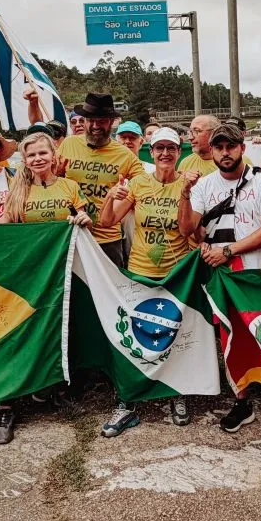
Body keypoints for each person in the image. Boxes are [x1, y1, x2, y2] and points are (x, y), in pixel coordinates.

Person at [179, 123, 261, 434]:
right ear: (212, 151)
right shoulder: (203, 186)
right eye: (219, 147)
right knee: (230, 338)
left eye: (231, 146)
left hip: (256, 273)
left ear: (242, 148)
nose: (225, 153)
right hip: (222, 276)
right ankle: (242, 402)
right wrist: (184, 194)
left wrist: (228, 250)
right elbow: (186, 229)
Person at [0, 131, 93, 443]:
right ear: (25, 159)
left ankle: (54, 390)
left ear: (54, 156)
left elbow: (83, 216)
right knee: (22, 333)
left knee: (59, 328)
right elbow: (3, 228)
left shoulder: (70, 186)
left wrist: (85, 218)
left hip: (62, 270)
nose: (37, 159)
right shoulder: (16, 188)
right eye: (31, 155)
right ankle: (8, 405)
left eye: (42, 153)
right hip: (29, 272)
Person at [98, 127, 197, 432]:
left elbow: (186, 231)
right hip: (140, 270)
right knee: (134, 332)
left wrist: (185, 193)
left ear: (179, 152)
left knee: (175, 336)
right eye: (159, 148)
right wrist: (110, 196)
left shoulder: (190, 183)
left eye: (171, 148)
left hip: (177, 273)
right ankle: (127, 401)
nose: (165, 153)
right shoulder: (138, 183)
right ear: (150, 153)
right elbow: (107, 221)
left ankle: (177, 394)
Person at [29, 91, 143, 267]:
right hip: (71, 235)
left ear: (111, 123)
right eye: (91, 120)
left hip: (107, 240)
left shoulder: (125, 155)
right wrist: (57, 173)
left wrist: (125, 201)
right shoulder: (69, 143)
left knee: (109, 292)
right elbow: (48, 179)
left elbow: (145, 188)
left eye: (102, 121)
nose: (96, 126)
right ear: (84, 121)